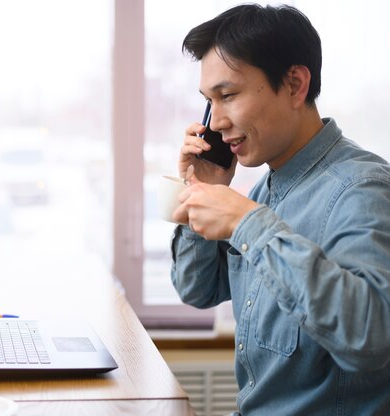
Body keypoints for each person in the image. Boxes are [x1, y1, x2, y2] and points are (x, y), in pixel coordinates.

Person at [170, 4, 390, 415]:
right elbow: (196, 290)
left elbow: (369, 339)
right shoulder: (265, 188)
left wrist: (248, 224)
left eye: (228, 95)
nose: (214, 122)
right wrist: (201, 188)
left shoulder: (362, 190)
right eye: (208, 102)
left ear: (294, 85)